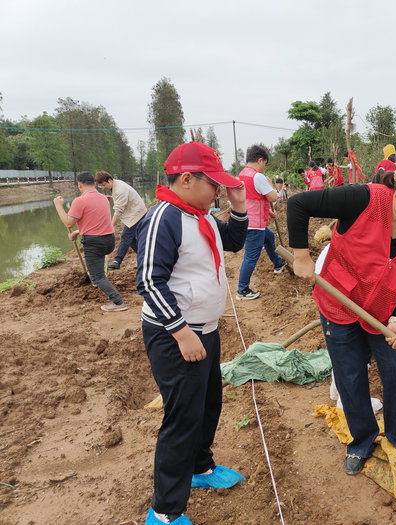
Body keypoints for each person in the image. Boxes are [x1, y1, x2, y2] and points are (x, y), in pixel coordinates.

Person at [287, 153, 396, 477]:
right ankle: (362, 442)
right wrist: (301, 255)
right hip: (339, 305)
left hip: (381, 314)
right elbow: (298, 205)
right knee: (351, 378)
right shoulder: (363, 200)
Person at [136, 142, 248, 525]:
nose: (218, 190)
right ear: (186, 179)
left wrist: (239, 206)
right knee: (182, 418)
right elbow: (150, 281)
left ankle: (200, 468)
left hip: (205, 331)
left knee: (208, 404)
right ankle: (165, 512)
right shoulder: (164, 217)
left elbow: (233, 242)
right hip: (175, 335)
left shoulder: (198, 215)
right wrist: (182, 333)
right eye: (213, 183)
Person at [53, 171, 127, 312]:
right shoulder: (104, 198)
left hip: (95, 243)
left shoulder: (79, 201)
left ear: (80, 186)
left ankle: (118, 302)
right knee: (97, 274)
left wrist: (58, 206)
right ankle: (99, 280)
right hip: (109, 240)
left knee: (97, 277)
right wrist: (78, 232)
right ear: (94, 184)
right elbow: (94, 222)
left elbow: (69, 223)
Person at [237, 145, 286, 300]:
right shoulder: (257, 176)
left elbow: (252, 198)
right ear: (260, 160)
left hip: (248, 220)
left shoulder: (242, 175)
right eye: (265, 163)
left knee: (269, 237)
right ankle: (242, 290)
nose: (264, 167)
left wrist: (268, 211)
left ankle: (278, 263)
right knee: (251, 257)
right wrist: (271, 185)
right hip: (255, 224)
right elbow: (272, 197)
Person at [94, 171, 148, 270]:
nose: (103, 187)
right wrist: (111, 198)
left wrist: (110, 226)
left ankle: (117, 261)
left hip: (136, 214)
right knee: (131, 240)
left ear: (109, 180)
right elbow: (119, 198)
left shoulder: (120, 189)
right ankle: (145, 260)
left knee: (126, 236)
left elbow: (118, 210)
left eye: (103, 185)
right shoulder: (116, 185)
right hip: (133, 213)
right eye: (101, 186)